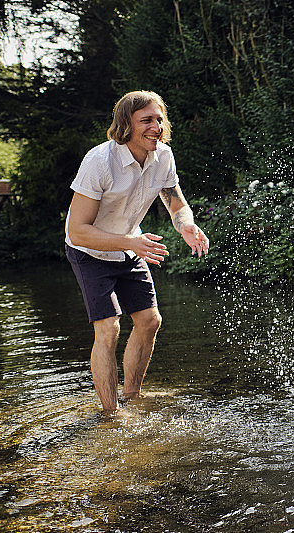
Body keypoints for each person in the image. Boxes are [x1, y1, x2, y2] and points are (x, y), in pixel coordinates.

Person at [65, 90, 210, 413]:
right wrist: (132, 243)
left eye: (159, 119)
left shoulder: (164, 157)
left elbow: (177, 204)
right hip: (90, 250)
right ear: (126, 126)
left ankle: (132, 395)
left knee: (149, 320)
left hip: (130, 244)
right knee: (109, 328)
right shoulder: (99, 162)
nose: (156, 127)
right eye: (146, 120)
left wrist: (185, 224)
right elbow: (78, 230)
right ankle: (111, 413)